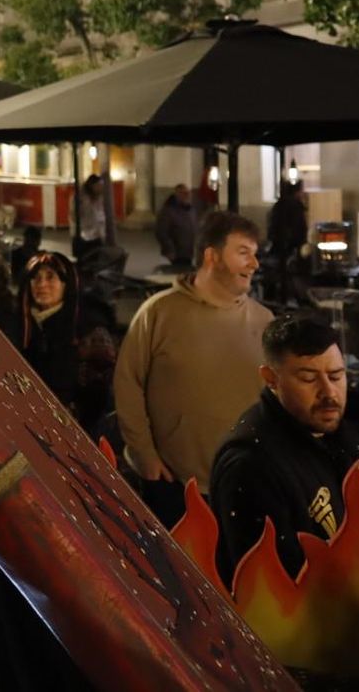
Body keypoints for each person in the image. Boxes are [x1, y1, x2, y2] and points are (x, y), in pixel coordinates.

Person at [113, 211, 271, 525]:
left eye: (255, 255)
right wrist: (144, 454)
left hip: (245, 485)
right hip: (174, 485)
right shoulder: (159, 313)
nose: (254, 264)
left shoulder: (265, 322)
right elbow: (127, 384)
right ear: (211, 256)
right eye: (243, 253)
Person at [210, 315, 359, 587]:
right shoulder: (250, 464)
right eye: (308, 378)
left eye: (336, 375)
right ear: (271, 379)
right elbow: (268, 585)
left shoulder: (332, 433)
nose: (329, 392)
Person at [17, 251, 117, 429]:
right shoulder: (21, 325)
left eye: (50, 277)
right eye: (36, 278)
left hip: (73, 427)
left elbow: (98, 395)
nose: (42, 284)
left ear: (66, 284)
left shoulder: (88, 330)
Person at [154, 184, 197, 268]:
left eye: (187, 193)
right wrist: (169, 249)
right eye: (183, 193)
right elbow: (161, 232)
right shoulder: (168, 211)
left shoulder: (190, 210)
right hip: (176, 252)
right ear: (177, 194)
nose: (186, 196)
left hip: (188, 251)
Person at [73, 174, 111, 260]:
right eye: (99, 186)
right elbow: (75, 216)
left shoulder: (99, 198)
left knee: (95, 260)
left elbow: (100, 215)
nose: (101, 188)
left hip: (97, 235)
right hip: (84, 236)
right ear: (92, 186)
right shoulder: (80, 199)